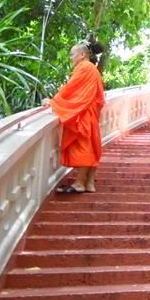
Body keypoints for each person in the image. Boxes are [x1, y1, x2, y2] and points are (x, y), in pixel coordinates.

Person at [42, 40, 105, 193]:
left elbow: (71, 89)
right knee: (89, 146)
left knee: (84, 146)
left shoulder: (85, 68)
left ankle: (79, 183)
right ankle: (88, 183)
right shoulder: (93, 69)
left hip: (83, 114)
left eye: (72, 54)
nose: (70, 58)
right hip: (89, 113)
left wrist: (52, 101)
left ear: (82, 55)